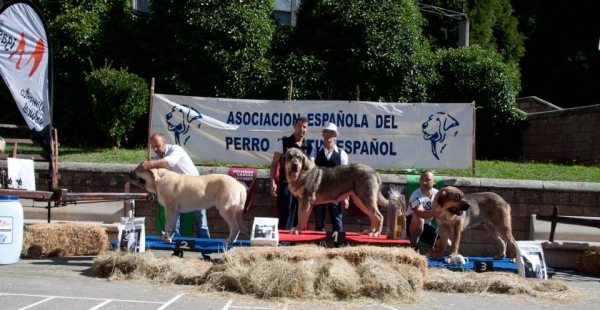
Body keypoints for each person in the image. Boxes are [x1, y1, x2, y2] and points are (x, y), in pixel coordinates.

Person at [136, 132, 210, 239]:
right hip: (177, 192)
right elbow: (155, 180)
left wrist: (151, 164)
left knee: (201, 220)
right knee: (175, 221)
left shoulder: (176, 149)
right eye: (153, 147)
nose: (155, 149)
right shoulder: (156, 159)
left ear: (165, 142)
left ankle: (206, 250)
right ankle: (176, 249)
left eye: (157, 145)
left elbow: (169, 161)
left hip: (195, 189)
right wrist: (143, 184)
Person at [270, 116, 312, 231]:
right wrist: (272, 181)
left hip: (302, 188)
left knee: (300, 218)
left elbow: (312, 168)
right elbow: (274, 164)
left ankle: (295, 246)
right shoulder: (283, 143)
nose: (302, 129)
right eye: (299, 126)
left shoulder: (309, 147)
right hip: (286, 186)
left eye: (304, 127)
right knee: (285, 216)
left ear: (307, 129)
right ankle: (283, 245)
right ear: (294, 126)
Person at [309, 123, 349, 244]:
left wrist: (345, 197)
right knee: (319, 222)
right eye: (326, 132)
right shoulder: (315, 151)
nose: (329, 135)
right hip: (319, 193)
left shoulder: (342, 154)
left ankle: (338, 247)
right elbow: (311, 166)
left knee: (337, 221)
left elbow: (345, 177)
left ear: (336, 136)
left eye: (331, 132)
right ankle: (319, 248)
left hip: (335, 194)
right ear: (322, 134)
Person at [406, 170, 448, 253]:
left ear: (434, 182)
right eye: (422, 179)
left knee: (447, 245)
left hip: (426, 227)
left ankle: (437, 255)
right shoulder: (416, 195)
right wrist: (433, 213)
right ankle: (414, 247)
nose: (424, 182)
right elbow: (419, 213)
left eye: (427, 180)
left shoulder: (438, 194)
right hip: (410, 226)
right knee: (419, 218)